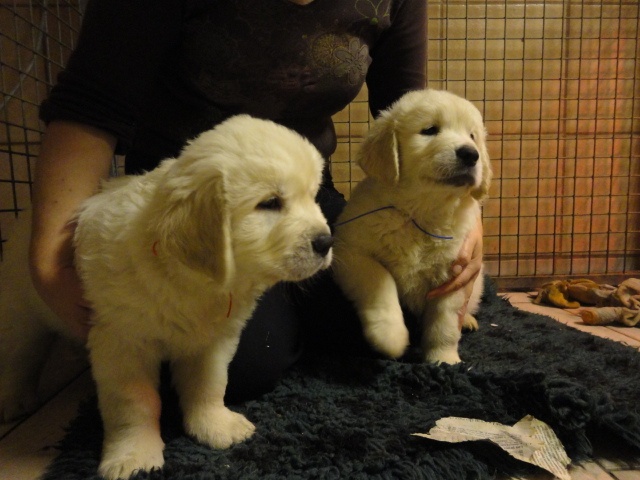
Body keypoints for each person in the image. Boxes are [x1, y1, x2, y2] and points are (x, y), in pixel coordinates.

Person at [30, 0, 483, 402]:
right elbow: (90, 102)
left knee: (401, 318)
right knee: (239, 366)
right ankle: (278, 320)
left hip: (306, 194)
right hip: (195, 200)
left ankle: (286, 312)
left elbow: (415, 116)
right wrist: (50, 258)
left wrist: (465, 215)